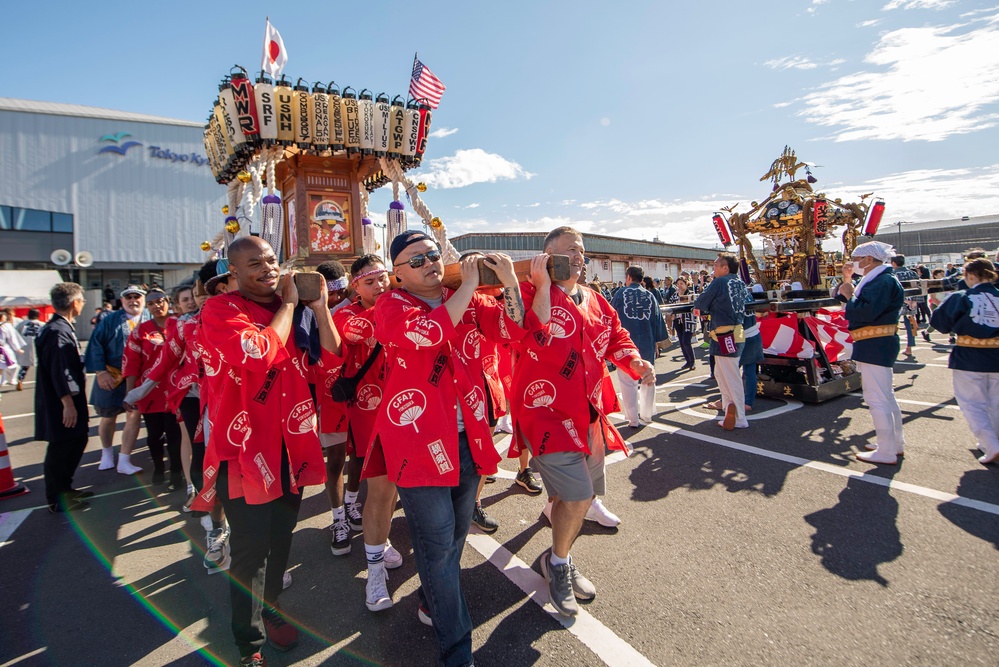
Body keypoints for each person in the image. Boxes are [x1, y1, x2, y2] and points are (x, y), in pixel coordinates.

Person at [367, 230, 526, 665]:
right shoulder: (390, 305)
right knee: (436, 542)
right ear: (397, 275)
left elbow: (514, 328)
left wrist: (509, 283)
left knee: (455, 536)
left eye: (433, 254)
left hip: (468, 435)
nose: (429, 263)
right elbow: (429, 335)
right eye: (415, 260)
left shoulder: (471, 300)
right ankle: (457, 649)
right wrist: (471, 286)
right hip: (417, 443)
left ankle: (430, 599)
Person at [193, 236, 341, 666]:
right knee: (249, 552)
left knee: (280, 540)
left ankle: (271, 607)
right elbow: (257, 352)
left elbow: (332, 355)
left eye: (272, 260)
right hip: (243, 450)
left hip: (291, 446)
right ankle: (248, 646)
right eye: (255, 263)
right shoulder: (220, 310)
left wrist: (319, 307)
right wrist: (290, 306)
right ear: (233, 274)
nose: (268, 269)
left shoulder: (290, 309)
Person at [512, 226, 653, 618]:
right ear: (547, 255)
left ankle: (558, 554)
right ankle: (558, 564)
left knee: (582, 496)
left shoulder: (595, 299)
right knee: (577, 497)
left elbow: (616, 337)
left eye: (582, 250)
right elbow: (524, 331)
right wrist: (540, 284)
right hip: (545, 413)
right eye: (569, 250)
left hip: (588, 413)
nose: (578, 255)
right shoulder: (527, 293)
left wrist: (634, 360)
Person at [329, 255, 405, 611]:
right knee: (381, 487)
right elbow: (355, 333)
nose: (380, 286)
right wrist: (397, 301)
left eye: (383, 279)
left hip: (409, 410)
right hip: (369, 412)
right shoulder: (346, 314)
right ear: (354, 287)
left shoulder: (404, 303)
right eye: (370, 282)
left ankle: (383, 539)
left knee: (395, 489)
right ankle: (374, 571)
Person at [837, 241, 906, 465]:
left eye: (857, 258)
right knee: (886, 396)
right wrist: (848, 284)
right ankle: (893, 444)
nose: (854, 262)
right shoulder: (880, 279)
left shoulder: (882, 280)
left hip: (876, 342)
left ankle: (886, 450)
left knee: (877, 398)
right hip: (876, 343)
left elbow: (865, 310)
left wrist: (849, 294)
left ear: (868, 260)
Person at [929, 259, 999, 464]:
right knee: (995, 402)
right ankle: (991, 440)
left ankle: (991, 443)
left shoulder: (962, 296)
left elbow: (939, 322)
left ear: (969, 276)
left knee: (972, 403)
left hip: (970, 355)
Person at [34, 283, 93, 513]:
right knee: (62, 446)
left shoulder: (61, 328)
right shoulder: (57, 331)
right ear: (75, 303)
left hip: (67, 399)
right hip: (61, 401)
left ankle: (66, 488)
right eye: (82, 301)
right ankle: (57, 497)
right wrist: (67, 404)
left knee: (77, 440)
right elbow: (60, 371)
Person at [84, 285, 149, 474]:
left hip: (139, 378)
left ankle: (124, 459)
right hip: (112, 374)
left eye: (137, 297)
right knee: (108, 416)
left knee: (134, 415)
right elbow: (95, 345)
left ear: (143, 300)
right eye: (128, 297)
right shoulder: (109, 320)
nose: (133, 300)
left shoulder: (150, 318)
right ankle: (106, 453)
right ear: (121, 301)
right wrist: (100, 372)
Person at [122, 288, 184, 487]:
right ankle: (158, 468)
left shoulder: (181, 324)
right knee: (154, 435)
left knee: (176, 435)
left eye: (160, 301)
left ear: (168, 301)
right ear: (147, 307)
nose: (157, 306)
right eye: (151, 303)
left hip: (177, 388)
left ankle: (176, 472)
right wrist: (130, 393)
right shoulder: (140, 331)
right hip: (150, 391)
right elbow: (131, 363)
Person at [693, 253, 749, 430]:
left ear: (726, 268)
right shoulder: (740, 283)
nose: (713, 269)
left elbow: (701, 302)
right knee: (721, 373)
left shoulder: (719, 282)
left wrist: (703, 308)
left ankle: (739, 416)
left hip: (725, 334)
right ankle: (729, 408)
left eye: (716, 265)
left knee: (730, 376)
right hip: (736, 331)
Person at [612, 267, 666, 427]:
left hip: (626, 343)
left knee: (627, 381)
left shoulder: (620, 294)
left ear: (628, 277)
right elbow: (658, 320)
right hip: (647, 340)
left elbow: (612, 317)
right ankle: (647, 414)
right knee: (648, 378)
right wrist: (658, 341)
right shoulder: (650, 295)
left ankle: (632, 418)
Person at [892, 256, 920, 357]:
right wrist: (914, 301)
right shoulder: (913, 273)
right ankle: (910, 347)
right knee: (910, 325)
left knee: (892, 325)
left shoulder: (893, 274)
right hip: (912, 301)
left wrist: (905, 300)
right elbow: (919, 287)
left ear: (894, 263)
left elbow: (894, 290)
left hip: (898, 302)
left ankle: (892, 347)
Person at [669, 277, 698, 371]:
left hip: (688, 320)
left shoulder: (690, 294)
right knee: (681, 342)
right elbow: (670, 305)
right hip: (678, 320)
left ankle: (692, 361)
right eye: (678, 284)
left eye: (681, 284)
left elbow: (694, 305)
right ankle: (688, 361)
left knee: (686, 341)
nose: (679, 286)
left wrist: (682, 297)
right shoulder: (674, 295)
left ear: (686, 284)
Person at [14, 309, 42, 391]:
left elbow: (15, 332)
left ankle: (20, 379)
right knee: (41, 365)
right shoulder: (41, 324)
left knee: (25, 366)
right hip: (38, 345)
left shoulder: (23, 323)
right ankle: (41, 382)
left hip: (25, 345)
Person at [0, 310, 27, 387]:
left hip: (3, 348)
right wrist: (18, 349)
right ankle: (12, 379)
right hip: (3, 349)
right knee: (14, 365)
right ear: (2, 317)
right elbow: (12, 339)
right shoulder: (6, 326)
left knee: (2, 367)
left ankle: (3, 380)